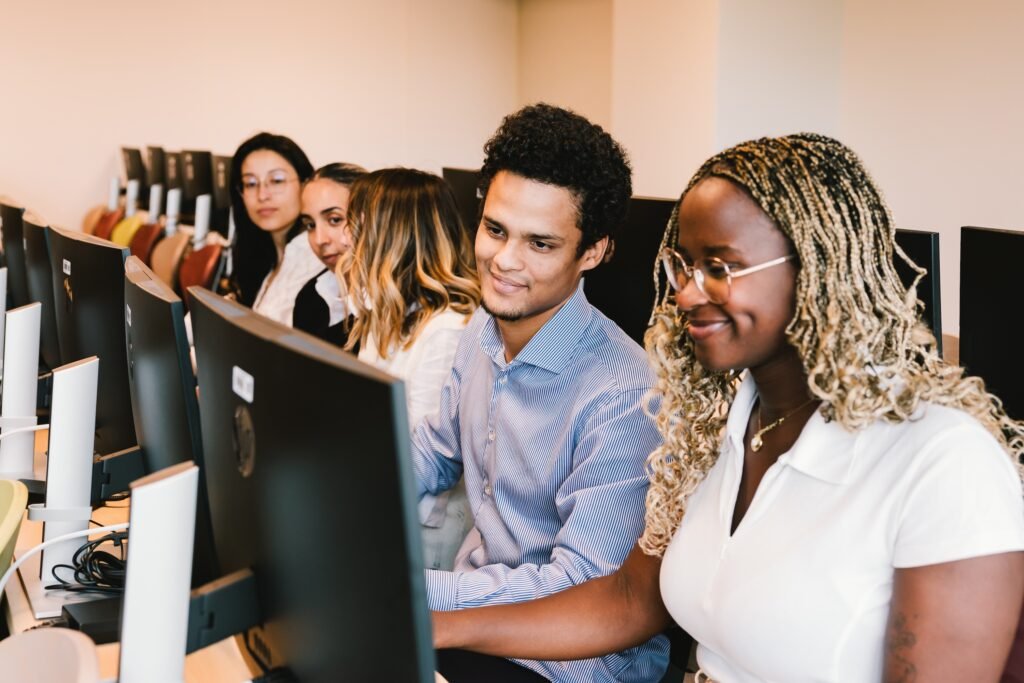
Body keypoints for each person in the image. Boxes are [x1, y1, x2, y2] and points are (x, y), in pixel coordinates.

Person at [431, 133, 1024, 682]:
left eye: (720, 267)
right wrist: (440, 625)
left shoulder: (943, 462)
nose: (686, 292)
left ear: (818, 268)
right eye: (683, 266)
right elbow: (630, 601)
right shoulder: (721, 424)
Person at [414, 103, 669, 683]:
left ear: (594, 251)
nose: (504, 261)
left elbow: (577, 585)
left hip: (565, 661)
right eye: (495, 229)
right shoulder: (480, 331)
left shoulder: (626, 396)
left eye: (541, 244)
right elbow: (433, 450)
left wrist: (417, 592)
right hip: (473, 620)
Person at [340, 167, 481, 571]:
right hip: (383, 504)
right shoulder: (388, 317)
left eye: (356, 225)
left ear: (396, 236)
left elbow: (424, 460)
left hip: (425, 531)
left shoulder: (449, 331)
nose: (347, 239)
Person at [229, 132, 323, 325]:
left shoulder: (316, 260)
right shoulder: (261, 255)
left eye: (277, 180)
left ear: (306, 183)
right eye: (251, 183)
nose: (262, 195)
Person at [293, 162, 367, 346]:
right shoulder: (311, 298)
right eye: (310, 225)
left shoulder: (399, 306)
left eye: (334, 220)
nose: (319, 239)